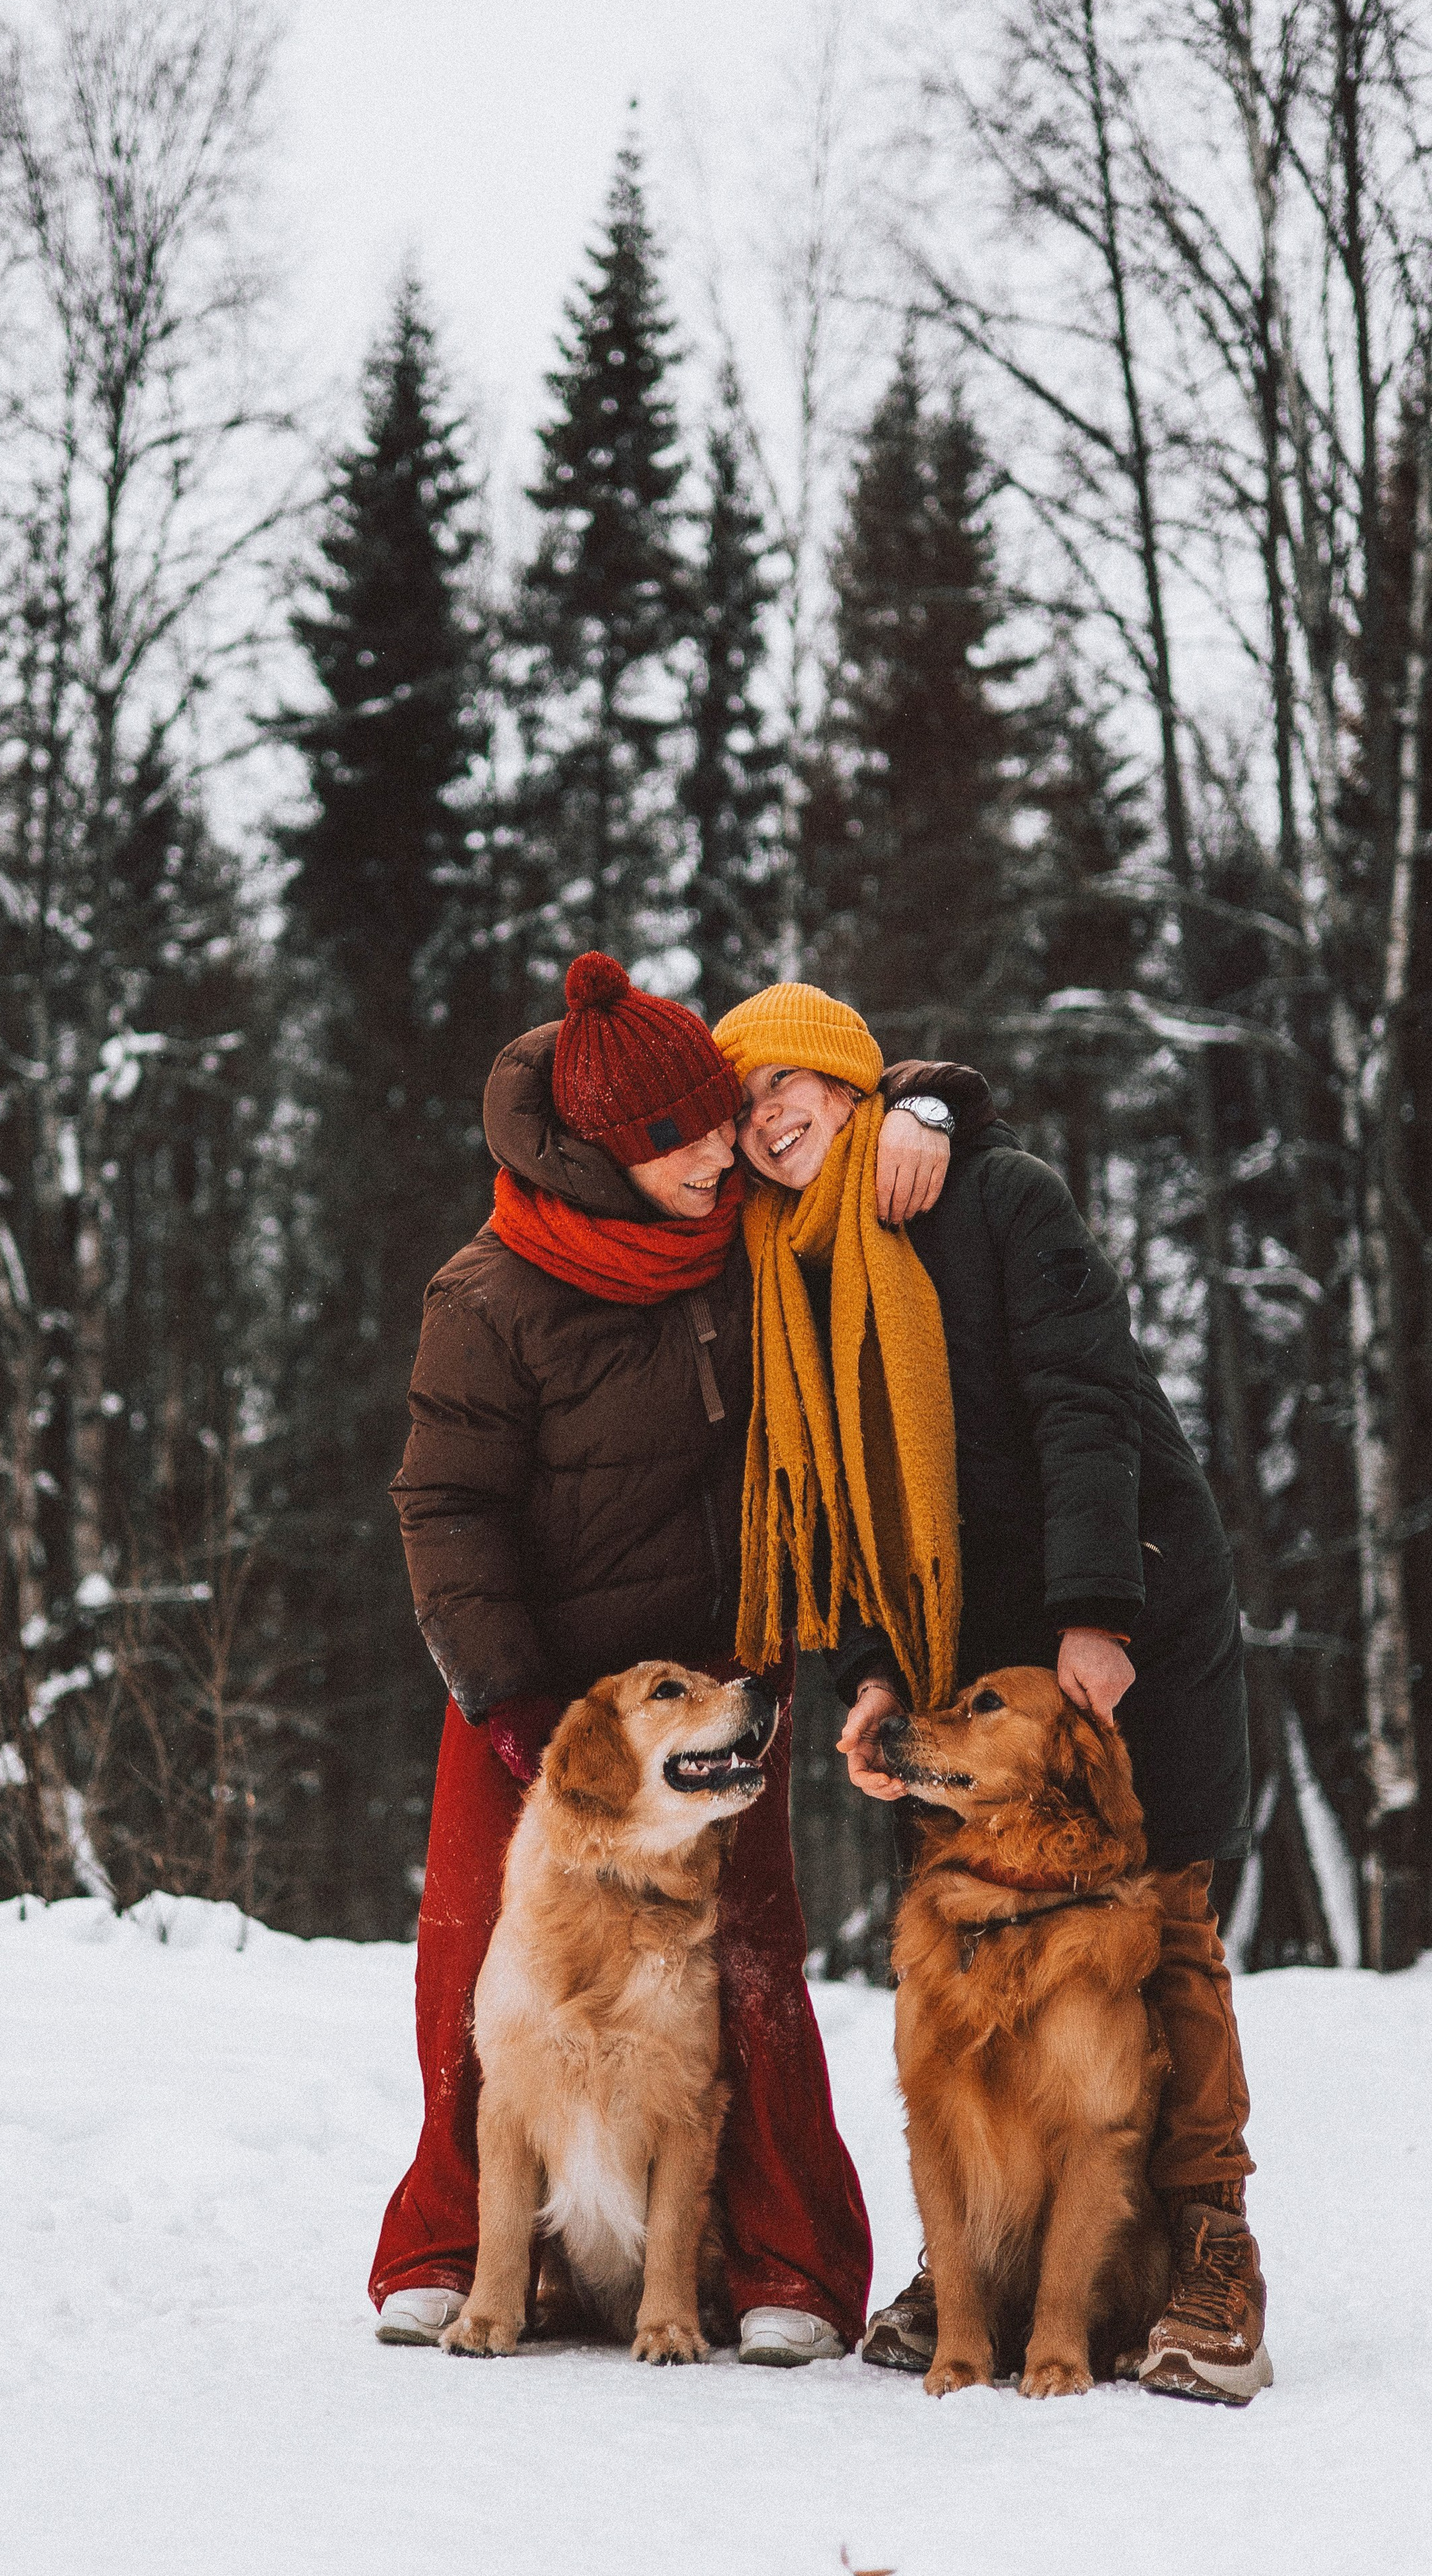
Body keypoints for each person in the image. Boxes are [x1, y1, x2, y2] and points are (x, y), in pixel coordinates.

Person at [370, 951, 987, 2361]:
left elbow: (833, 1112)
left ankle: (786, 2268)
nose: (720, 1150)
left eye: (718, 1120)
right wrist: (513, 1704)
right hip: (533, 1687)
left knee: (749, 1966)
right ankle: (457, 2248)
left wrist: (933, 1108)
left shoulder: (739, 1225)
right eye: (681, 1138)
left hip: (712, 1683)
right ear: (602, 1154)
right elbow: (443, 1504)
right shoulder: (487, 1290)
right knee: (478, 1954)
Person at [709, 979, 1270, 2408]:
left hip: (1121, 1604)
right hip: (960, 1664)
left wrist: (1095, 1617)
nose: (762, 1116)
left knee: (1162, 1925)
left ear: (843, 1082)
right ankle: (981, 2261)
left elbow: (1086, 1398)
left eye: (783, 1084)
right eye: (740, 1107)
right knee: (976, 1950)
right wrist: (874, 1676)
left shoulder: (992, 1193)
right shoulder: (789, 1271)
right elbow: (831, 1511)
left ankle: (1212, 2259)